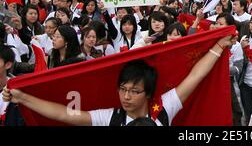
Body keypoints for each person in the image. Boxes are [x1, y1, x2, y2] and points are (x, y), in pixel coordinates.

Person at [2, 35, 235, 126]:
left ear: (148, 93)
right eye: (123, 89)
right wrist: (22, 97)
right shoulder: (111, 117)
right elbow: (65, 114)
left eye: (134, 91)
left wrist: (218, 46)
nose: (126, 96)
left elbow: (196, 76)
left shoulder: (163, 108)